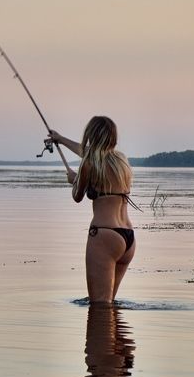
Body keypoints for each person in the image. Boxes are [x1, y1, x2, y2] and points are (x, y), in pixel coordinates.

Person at [48, 116, 137, 304]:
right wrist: (61, 139)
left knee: (99, 306)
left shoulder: (89, 163)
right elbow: (90, 153)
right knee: (109, 304)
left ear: (90, 135)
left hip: (104, 237)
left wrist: (74, 179)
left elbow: (77, 196)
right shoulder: (121, 161)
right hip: (128, 238)